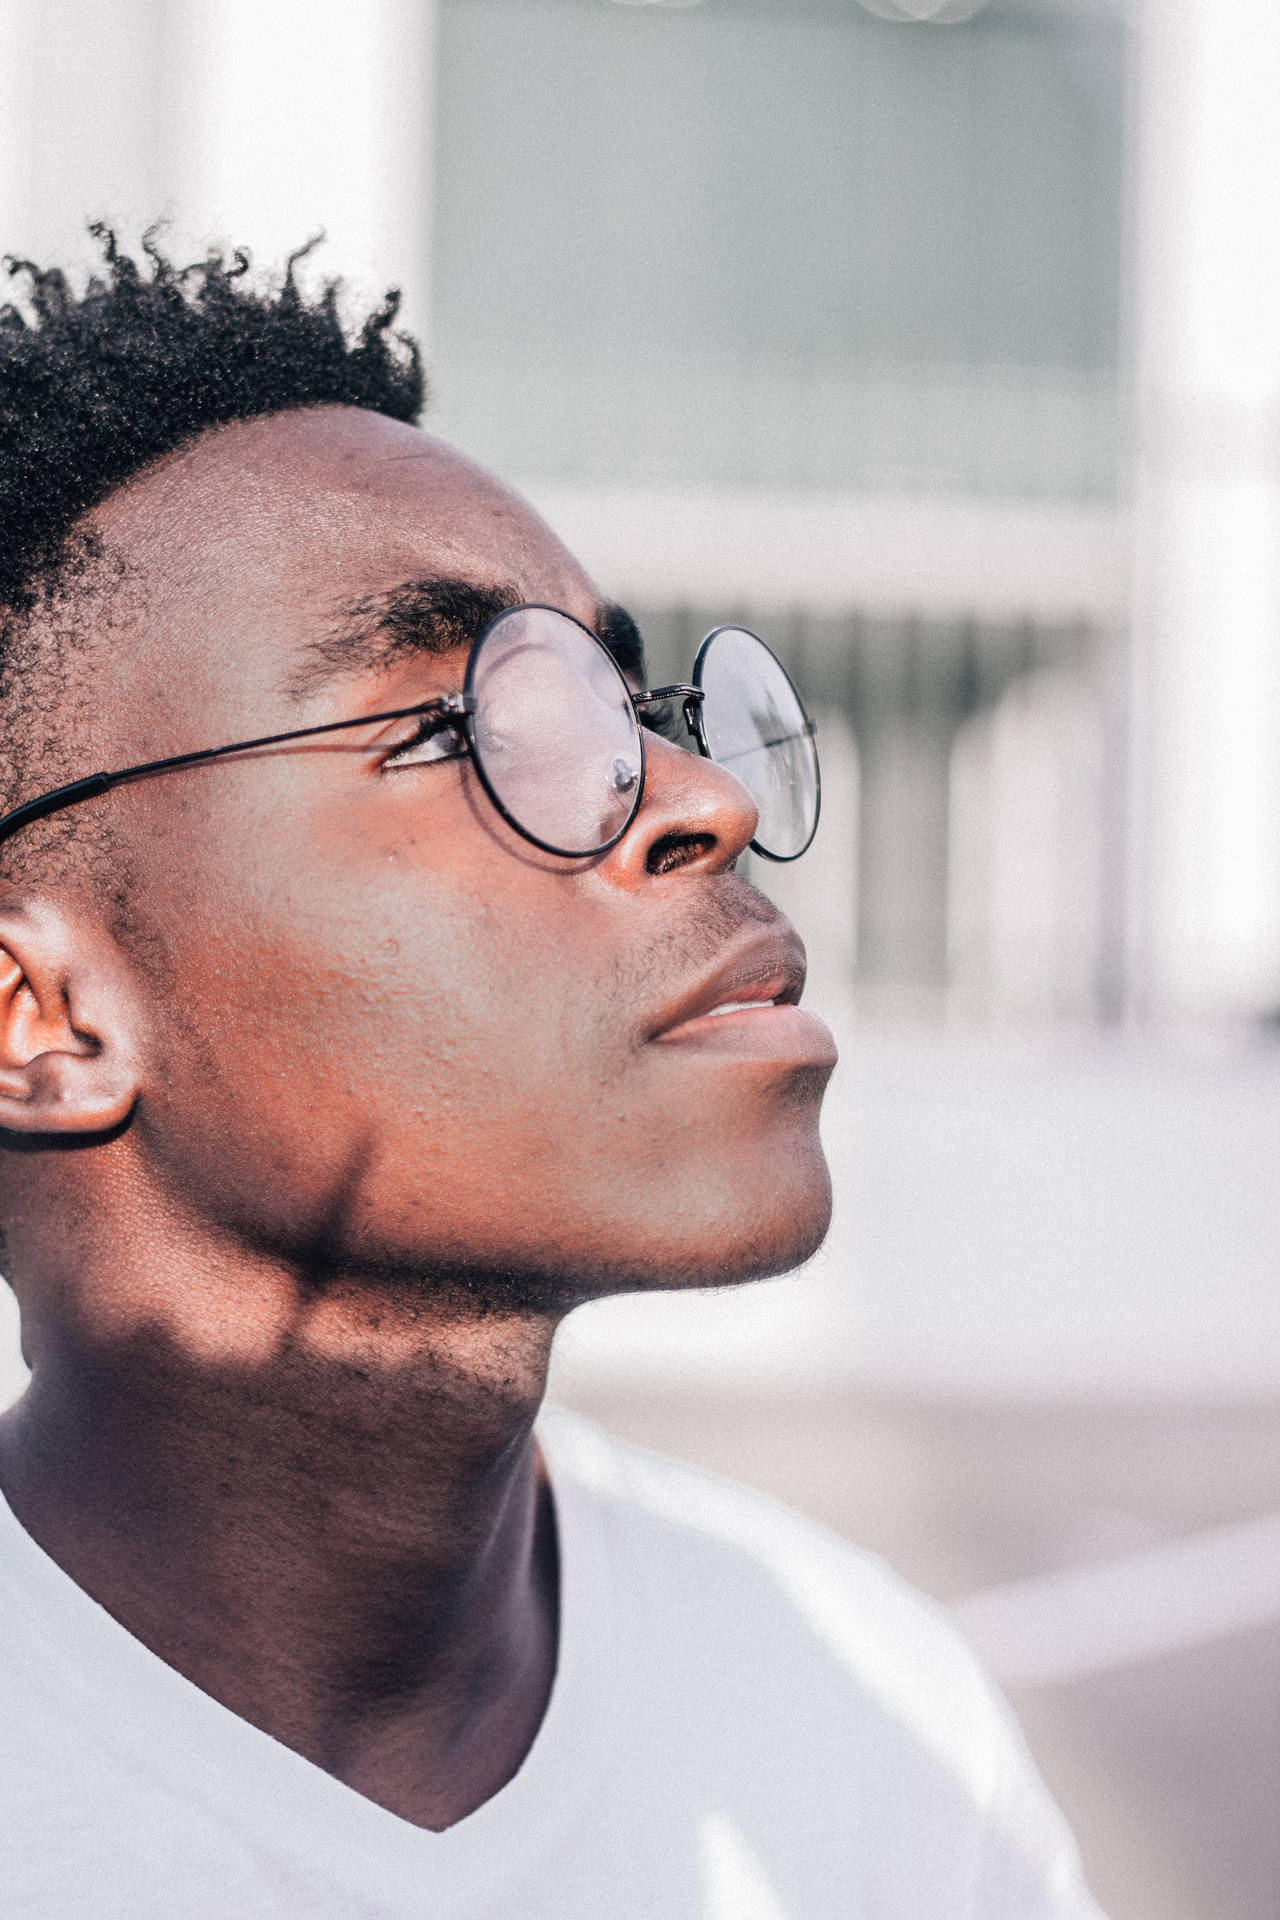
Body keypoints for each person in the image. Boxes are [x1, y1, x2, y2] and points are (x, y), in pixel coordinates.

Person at [0, 232, 1103, 1919]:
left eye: (624, 701)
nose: (696, 797)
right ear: (44, 1017)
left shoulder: (859, 1725)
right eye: (458, 728)